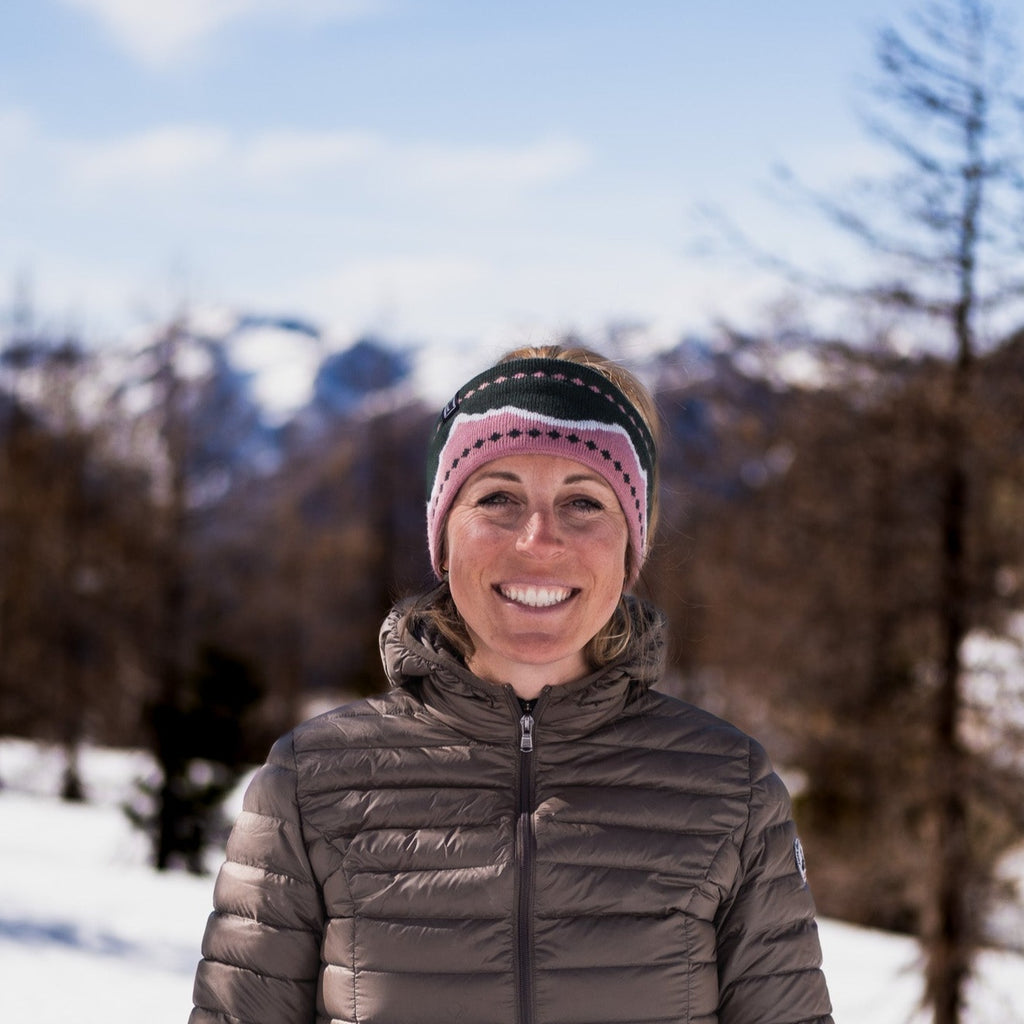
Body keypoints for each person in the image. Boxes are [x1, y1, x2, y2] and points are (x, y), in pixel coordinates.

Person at [189, 345, 833, 1024]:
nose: (538, 539)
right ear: (444, 539)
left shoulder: (731, 789)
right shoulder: (310, 784)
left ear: (630, 549)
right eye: (498, 497)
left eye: (583, 502)